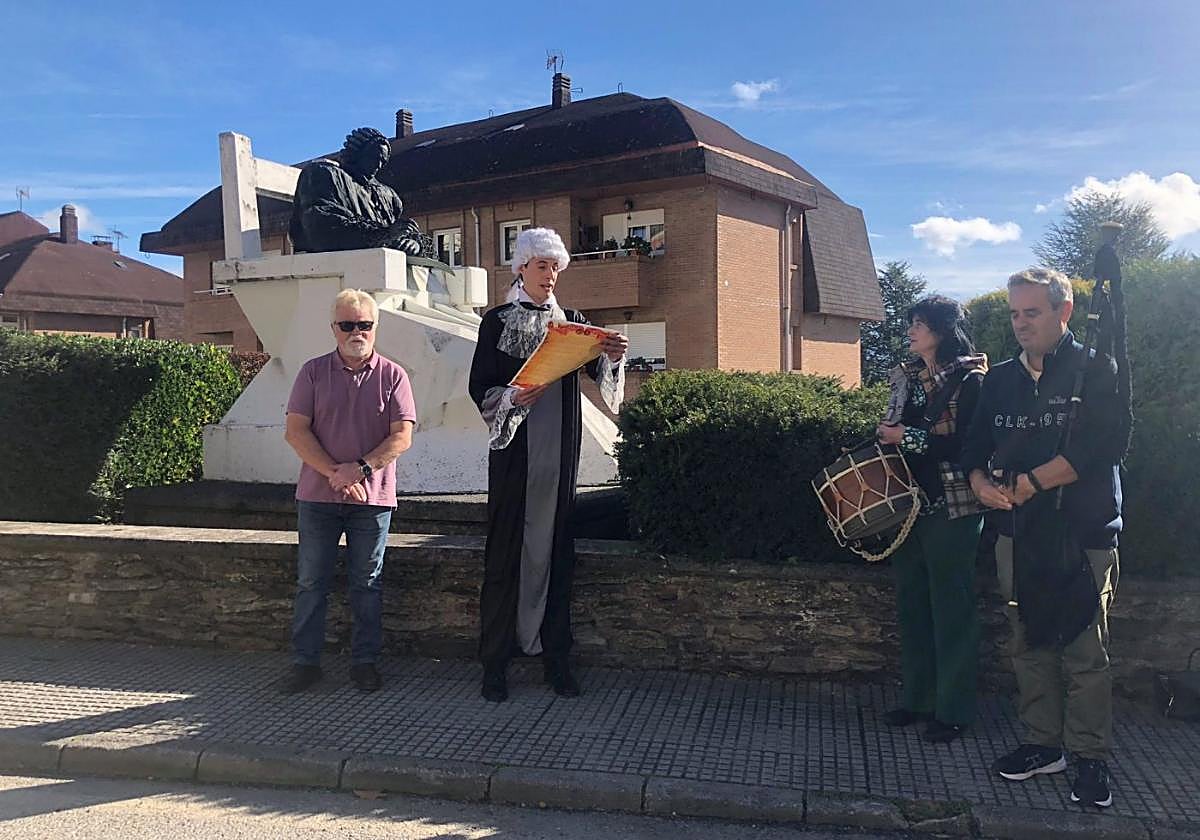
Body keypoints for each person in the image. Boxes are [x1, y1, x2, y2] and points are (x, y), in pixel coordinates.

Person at [961, 268, 1123, 808]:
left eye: (1032, 312)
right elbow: (974, 446)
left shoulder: (1098, 368)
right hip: (1016, 530)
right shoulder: (999, 379)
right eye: (1014, 313)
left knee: (1083, 645)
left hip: (1083, 531)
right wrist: (980, 483)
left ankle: (1090, 757)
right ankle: (1041, 744)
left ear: (1064, 311)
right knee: (1027, 638)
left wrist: (1030, 483)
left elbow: (1104, 446)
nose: (1020, 323)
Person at [467, 227, 628, 703]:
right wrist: (514, 396)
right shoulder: (496, 322)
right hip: (515, 455)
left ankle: (556, 659)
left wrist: (612, 357)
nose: (551, 275)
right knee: (505, 555)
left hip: (559, 456)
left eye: (556, 267)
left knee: (558, 553)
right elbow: (481, 387)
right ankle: (494, 663)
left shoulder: (573, 321)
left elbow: (602, 378)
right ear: (521, 267)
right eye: (543, 266)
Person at [281, 288, 417, 694]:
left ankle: (365, 663)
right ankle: (305, 664)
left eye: (364, 324)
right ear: (334, 328)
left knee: (367, 583)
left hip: (372, 502)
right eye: (347, 324)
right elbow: (295, 431)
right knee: (310, 583)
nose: (356, 331)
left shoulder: (394, 376)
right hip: (317, 499)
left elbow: (402, 437)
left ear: (375, 327)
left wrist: (358, 471)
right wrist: (334, 474)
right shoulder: (311, 372)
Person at [875, 296, 988, 744]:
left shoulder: (973, 380)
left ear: (943, 329)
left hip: (954, 507)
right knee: (912, 605)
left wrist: (910, 437)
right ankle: (917, 700)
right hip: (908, 505)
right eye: (911, 324)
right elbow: (895, 430)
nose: (911, 331)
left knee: (952, 609)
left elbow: (970, 446)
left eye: (920, 324)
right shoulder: (906, 377)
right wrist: (887, 435)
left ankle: (954, 710)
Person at [289, 126, 427, 256]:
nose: (378, 165)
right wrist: (384, 234)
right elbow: (321, 228)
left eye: (382, 161)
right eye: (374, 157)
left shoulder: (388, 196)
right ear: (357, 152)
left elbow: (398, 231)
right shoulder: (324, 174)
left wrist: (413, 243)